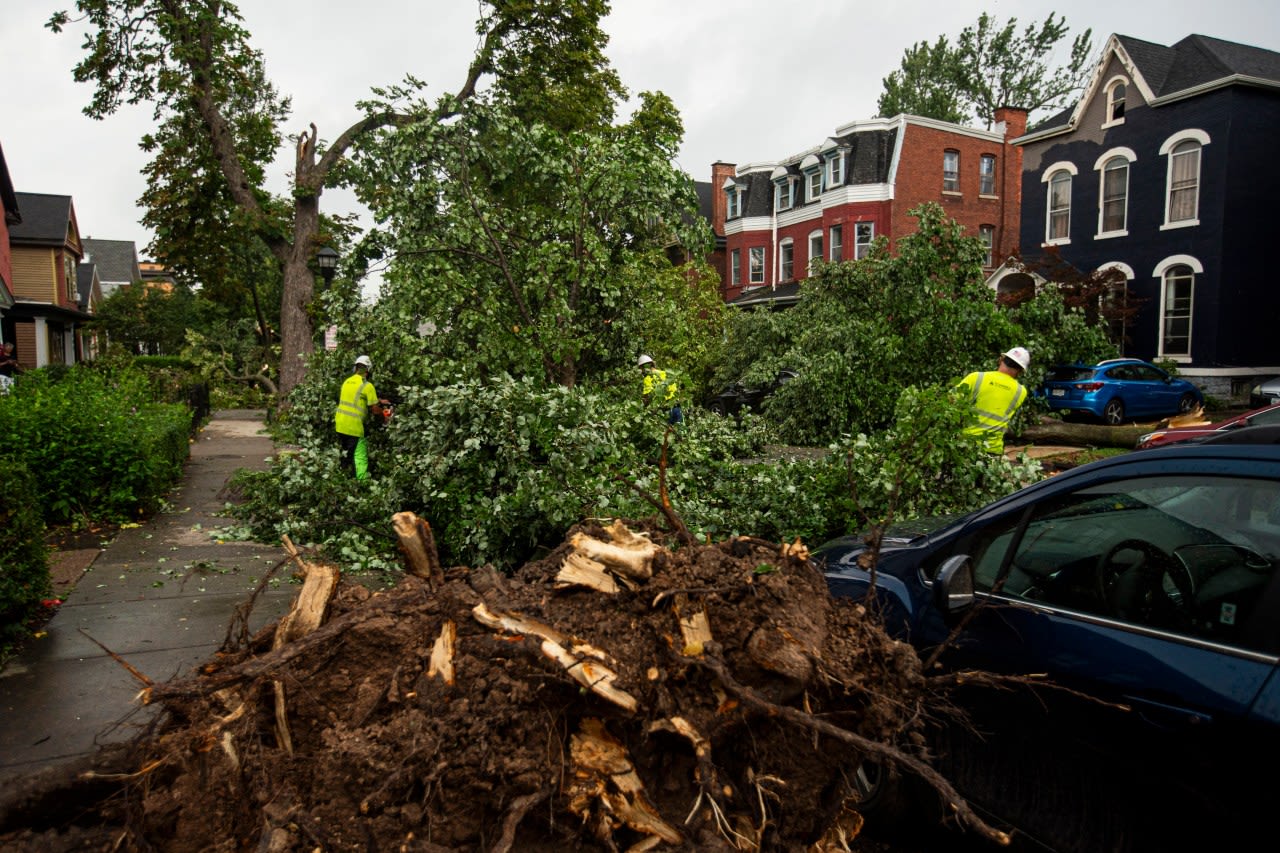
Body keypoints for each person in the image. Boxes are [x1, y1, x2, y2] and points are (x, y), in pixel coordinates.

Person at [956, 346, 1030, 455]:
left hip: (965, 447)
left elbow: (950, 402)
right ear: (1020, 371)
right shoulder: (1021, 392)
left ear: (1001, 359)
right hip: (993, 451)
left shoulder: (976, 378)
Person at [334, 355, 390, 480]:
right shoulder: (367, 386)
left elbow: (355, 398)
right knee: (359, 456)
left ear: (356, 368)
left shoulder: (347, 381)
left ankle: (343, 479)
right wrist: (384, 419)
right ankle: (362, 484)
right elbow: (375, 410)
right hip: (354, 427)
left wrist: (378, 400)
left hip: (340, 424)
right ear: (368, 370)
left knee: (345, 454)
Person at [638, 354, 683, 425]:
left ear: (643, 368)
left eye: (641, 369)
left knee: (666, 434)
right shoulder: (665, 373)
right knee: (680, 432)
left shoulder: (647, 378)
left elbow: (647, 398)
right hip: (676, 407)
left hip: (665, 411)